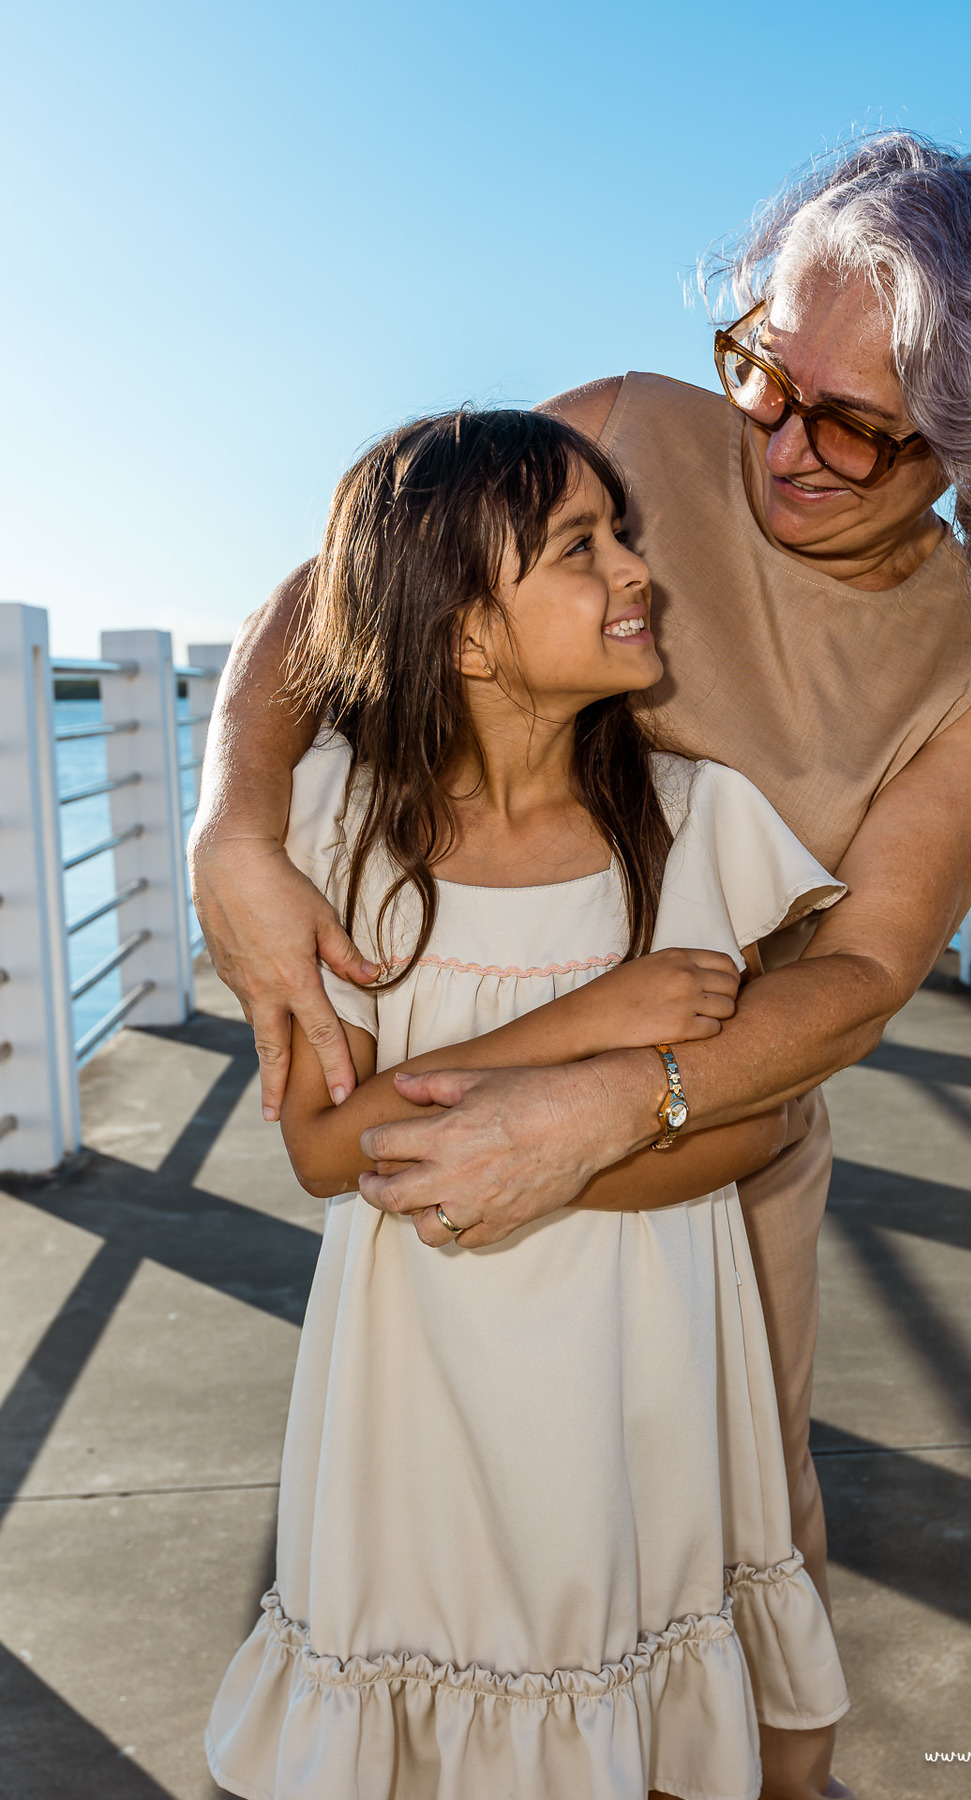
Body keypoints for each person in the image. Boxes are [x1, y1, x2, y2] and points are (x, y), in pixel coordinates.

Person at [190, 133, 971, 1799]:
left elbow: (859, 972)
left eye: (854, 422)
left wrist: (614, 1104)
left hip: (717, 1147)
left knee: (720, 1550)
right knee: (445, 1559)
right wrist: (235, 824)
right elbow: (353, 590)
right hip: (449, 1114)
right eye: (765, 371)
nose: (779, 440)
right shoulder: (627, 436)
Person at [205, 408, 853, 1800]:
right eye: (579, 547)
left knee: (636, 1697)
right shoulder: (340, 830)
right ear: (461, 632)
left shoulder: (697, 822)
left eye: (623, 532)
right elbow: (326, 1149)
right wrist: (590, 1024)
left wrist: (534, 1153)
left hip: (639, 1368)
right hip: (420, 1389)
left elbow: (752, 1122)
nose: (635, 569)